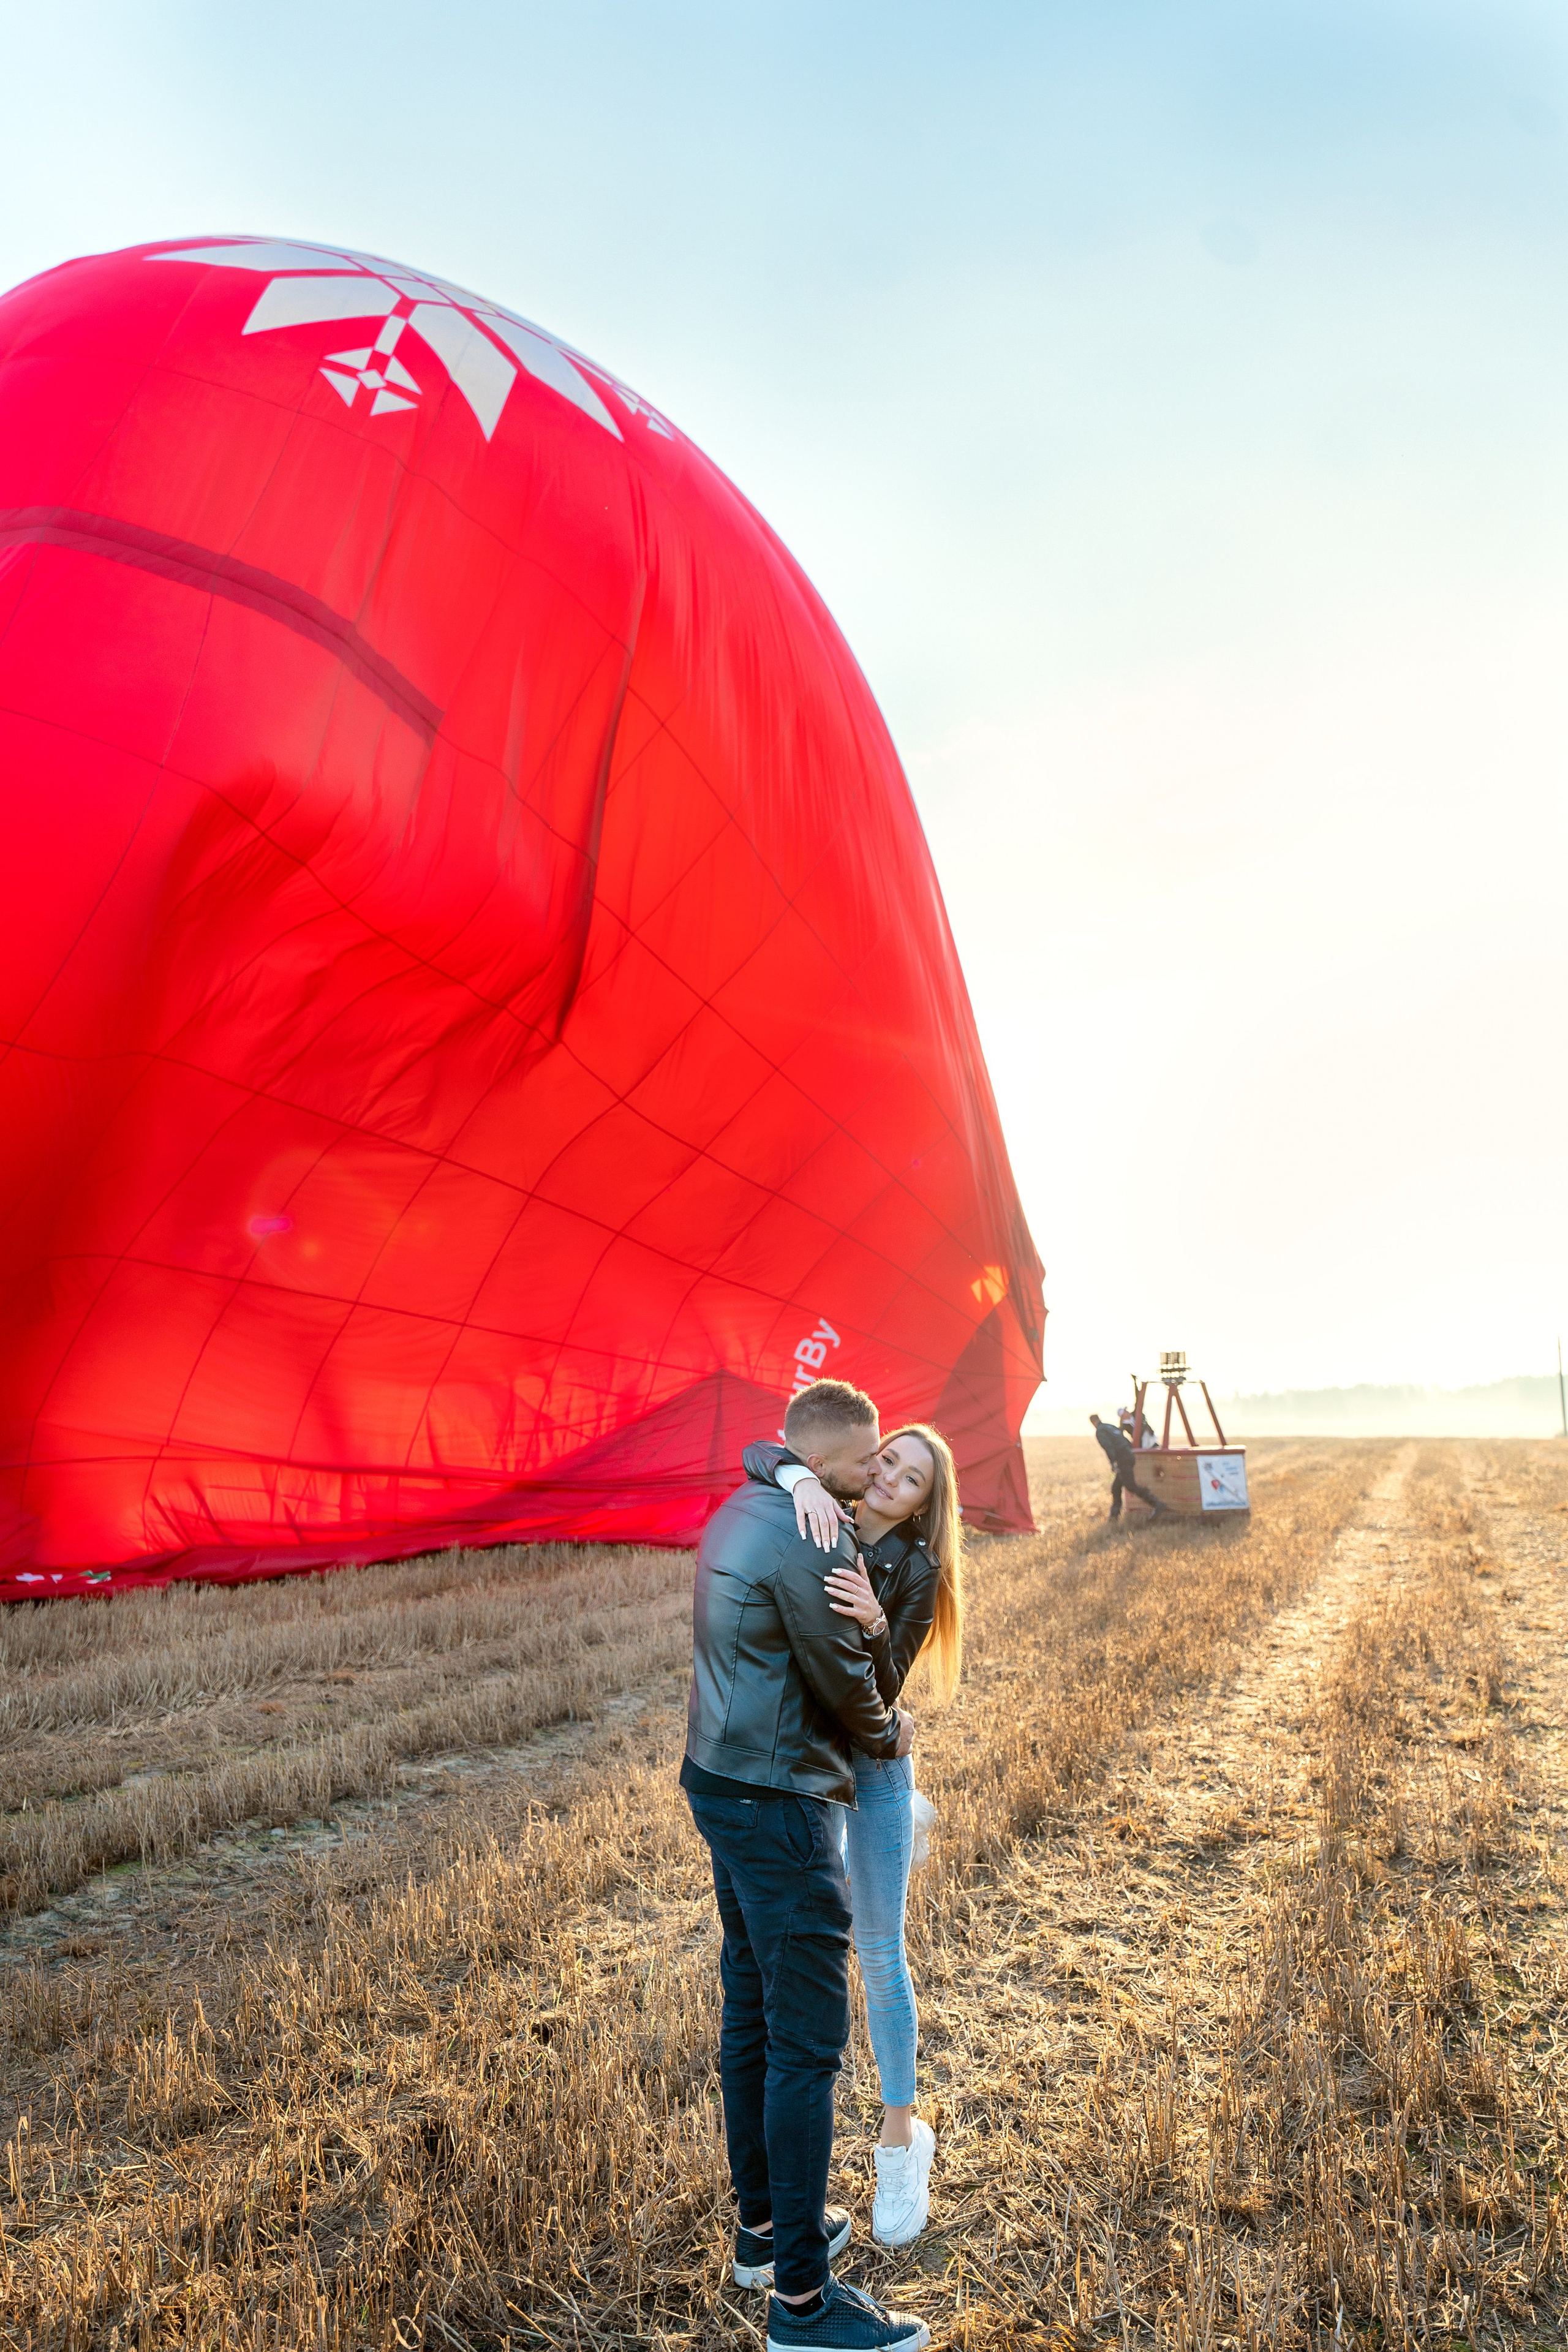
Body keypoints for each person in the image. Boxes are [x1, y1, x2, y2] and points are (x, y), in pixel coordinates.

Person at [682, 1378, 931, 2352]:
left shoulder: (749, 1502)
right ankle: (802, 2307)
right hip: (780, 1805)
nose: (878, 1470)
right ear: (825, 1464)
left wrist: (785, 1462)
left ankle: (761, 2230)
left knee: (749, 2004)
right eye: (870, 1457)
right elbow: (852, 1694)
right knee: (807, 2045)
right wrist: (895, 1728)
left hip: (720, 1780)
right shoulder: (816, 1537)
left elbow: (766, 1448)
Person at [742, 1419, 962, 2252]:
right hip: (804, 1769)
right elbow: (763, 1451)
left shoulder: (917, 1569)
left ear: (918, 1509)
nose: (887, 1479)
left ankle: (902, 2143)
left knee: (877, 1952)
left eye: (907, 1480)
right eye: (888, 1461)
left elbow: (886, 1689)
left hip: (867, 1767)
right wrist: (800, 1479)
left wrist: (875, 1621)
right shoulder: (823, 1503)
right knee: (806, 1956)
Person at [1090, 1411, 1167, 1521]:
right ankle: (1114, 1517)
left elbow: (1108, 1447)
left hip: (1123, 1459)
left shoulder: (1100, 1431)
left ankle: (1157, 1504)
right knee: (1116, 1488)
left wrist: (1113, 1462)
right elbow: (1124, 1439)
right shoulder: (1110, 1427)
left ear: (1093, 1423)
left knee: (1131, 1486)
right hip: (1129, 1456)